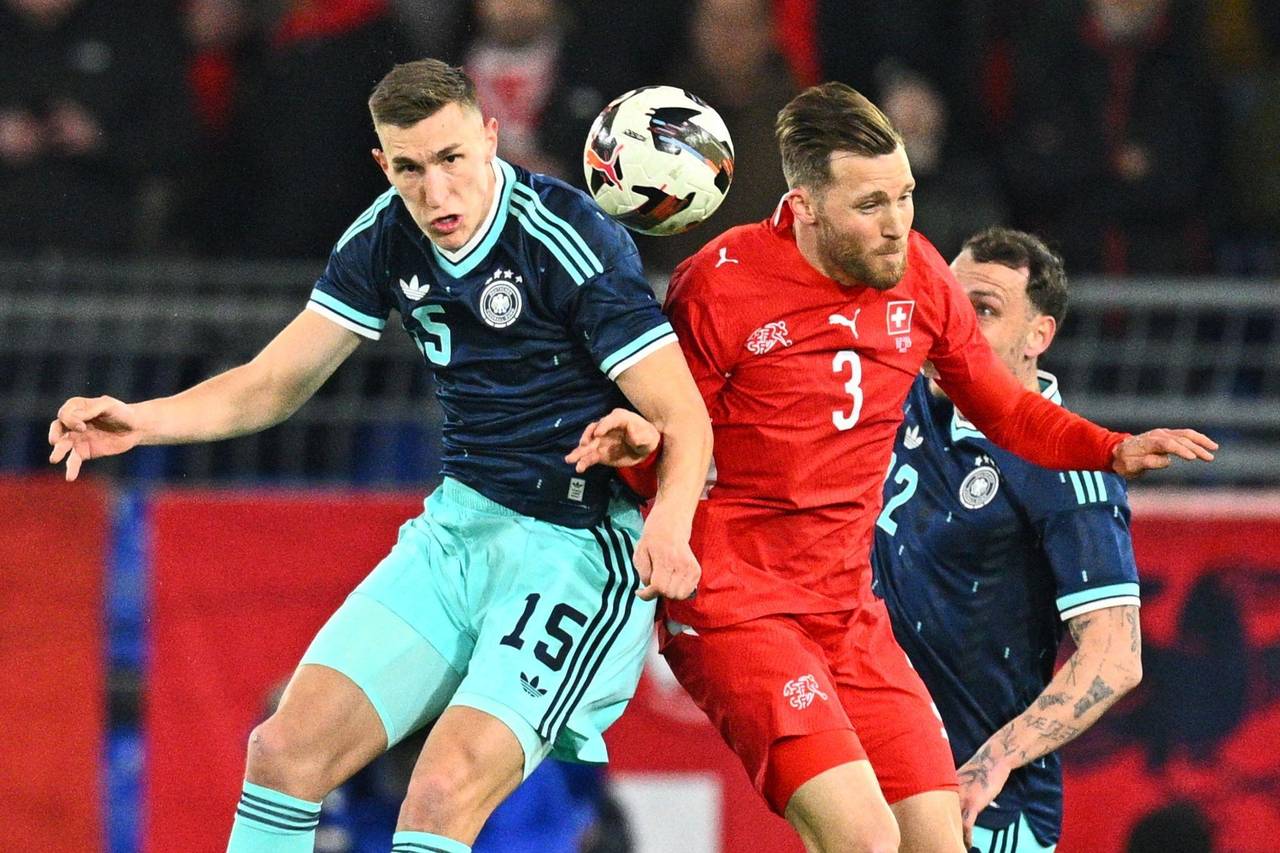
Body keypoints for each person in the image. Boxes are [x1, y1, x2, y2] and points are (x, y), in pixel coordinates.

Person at [48, 59, 712, 853]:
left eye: (452, 158)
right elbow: (273, 382)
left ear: (490, 138)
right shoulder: (383, 238)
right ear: (382, 164)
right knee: (283, 751)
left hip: (574, 550)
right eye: (409, 168)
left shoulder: (569, 238)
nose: (436, 192)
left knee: (439, 791)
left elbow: (683, 416)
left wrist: (669, 524)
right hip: (458, 531)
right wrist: (140, 421)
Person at [565, 82, 1215, 853]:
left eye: (904, 195)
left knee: (935, 841)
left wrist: (1108, 447)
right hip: (740, 603)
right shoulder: (721, 283)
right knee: (866, 838)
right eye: (870, 204)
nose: (897, 223)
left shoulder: (921, 273)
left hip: (847, 611)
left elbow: (1004, 408)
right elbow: (673, 441)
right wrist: (641, 450)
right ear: (805, 205)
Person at [870, 227, 1144, 852]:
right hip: (875, 780)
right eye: (948, 303)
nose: (953, 327)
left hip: (981, 810)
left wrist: (992, 763)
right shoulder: (899, 397)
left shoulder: (1067, 466)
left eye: (984, 311)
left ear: (1038, 336)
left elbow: (1114, 655)